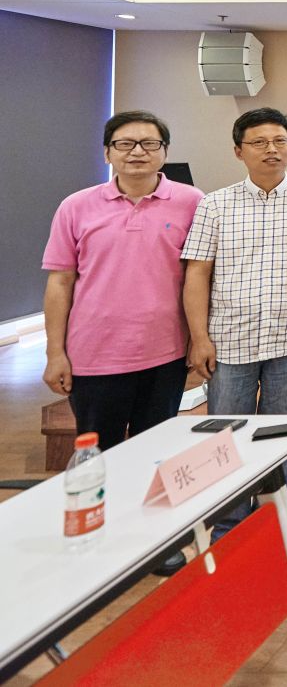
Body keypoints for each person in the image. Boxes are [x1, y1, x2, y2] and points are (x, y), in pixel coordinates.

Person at [43, 110, 202, 575]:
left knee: (157, 452)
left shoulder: (192, 202)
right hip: (95, 356)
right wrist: (55, 352)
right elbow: (60, 283)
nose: (137, 152)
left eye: (149, 144)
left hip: (165, 354)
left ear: (164, 153)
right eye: (126, 144)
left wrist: (199, 338)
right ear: (108, 152)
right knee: (100, 456)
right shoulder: (76, 207)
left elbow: (200, 276)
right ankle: (101, 541)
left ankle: (153, 542)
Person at [183, 107, 287, 539]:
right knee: (226, 439)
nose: (271, 149)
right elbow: (197, 272)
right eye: (259, 142)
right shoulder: (215, 204)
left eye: (280, 141)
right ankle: (228, 528)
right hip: (229, 340)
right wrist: (199, 337)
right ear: (239, 151)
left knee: (281, 436)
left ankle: (275, 524)